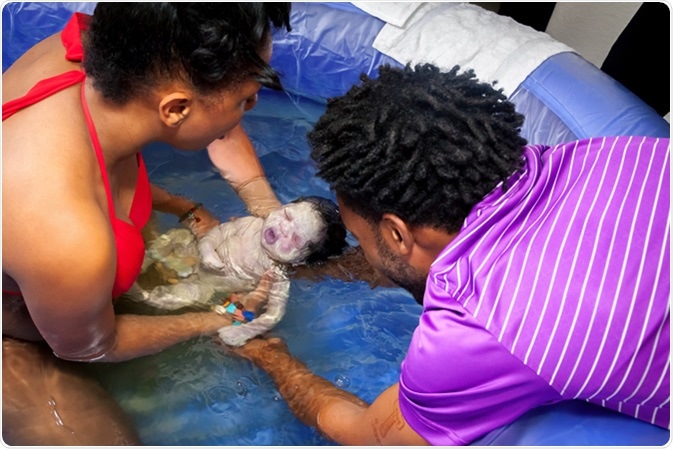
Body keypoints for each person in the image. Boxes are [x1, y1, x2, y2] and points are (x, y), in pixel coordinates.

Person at [230, 64, 671, 445]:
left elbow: (372, 435)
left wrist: (273, 357)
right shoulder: (609, 152)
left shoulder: (480, 327)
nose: (360, 247)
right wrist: (317, 274)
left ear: (397, 234)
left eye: (359, 237)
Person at [2, 3, 291, 445]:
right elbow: (90, 346)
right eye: (245, 100)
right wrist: (218, 317)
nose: (247, 111)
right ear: (175, 108)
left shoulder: (107, 53)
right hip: (18, 328)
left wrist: (205, 207)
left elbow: (213, 119)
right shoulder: (65, 232)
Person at [128, 196, 348, 346]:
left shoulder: (276, 274)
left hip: (208, 286)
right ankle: (140, 261)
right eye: (288, 216)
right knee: (178, 237)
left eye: (296, 238)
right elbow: (217, 234)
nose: (284, 228)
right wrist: (206, 249)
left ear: (301, 260)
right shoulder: (250, 224)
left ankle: (139, 293)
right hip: (194, 253)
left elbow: (274, 314)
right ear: (282, 206)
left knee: (183, 297)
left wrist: (245, 331)